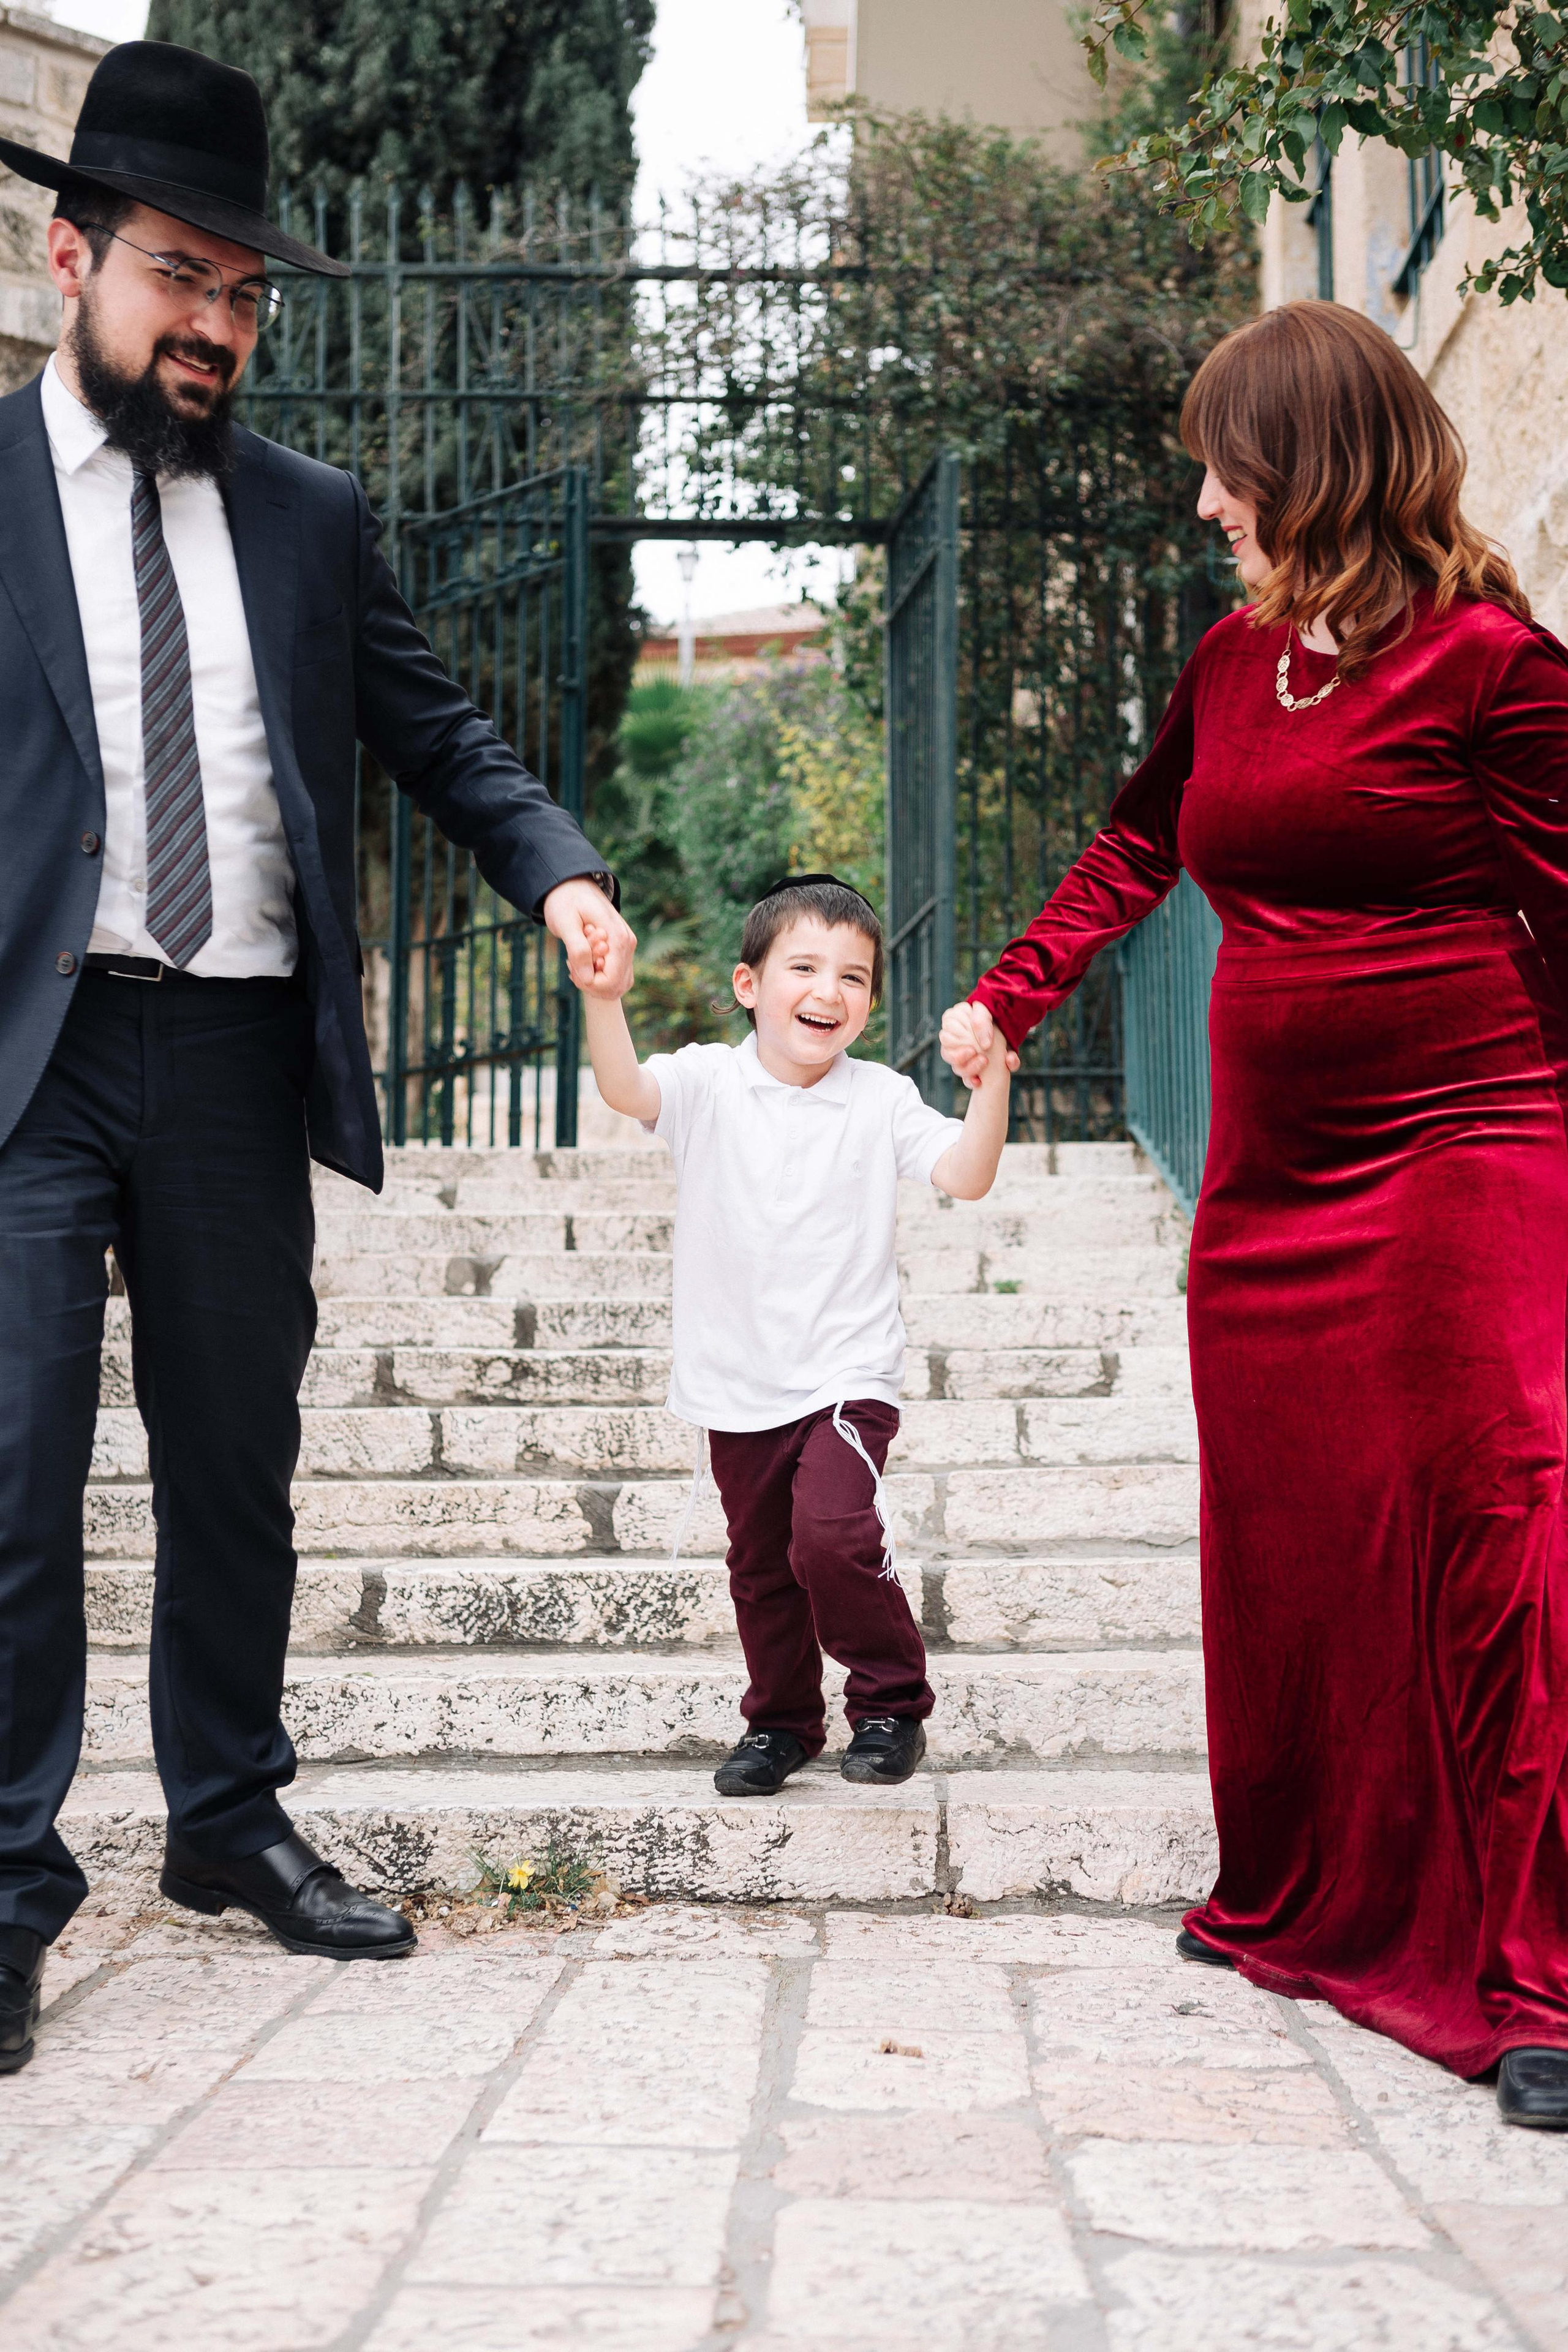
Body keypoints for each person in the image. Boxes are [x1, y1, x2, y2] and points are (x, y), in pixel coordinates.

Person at [0, 42, 633, 2073]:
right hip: (36, 1044)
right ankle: (12, 1887)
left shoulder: (305, 515)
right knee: (12, 1476)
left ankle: (227, 1822)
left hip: (239, 1045)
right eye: (182, 275)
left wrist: (556, 874)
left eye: (248, 293)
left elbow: (437, 731)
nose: (215, 326)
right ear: (67, 255)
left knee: (234, 1463)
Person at [941, 300, 1568, 2130]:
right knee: (1289, 1541)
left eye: (1226, 463)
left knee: (1492, 1534)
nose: (1206, 498)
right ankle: (1304, 1894)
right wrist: (1016, 989)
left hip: (1469, 1146)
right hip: (1273, 1183)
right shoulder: (1235, 665)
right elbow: (1144, 840)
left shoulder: (1494, 670)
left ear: (1307, 465)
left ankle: (1533, 1972)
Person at [578, 873, 1010, 1791]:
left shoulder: (880, 1097)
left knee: (831, 1534)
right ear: (749, 986)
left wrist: (991, 1085)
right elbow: (623, 1088)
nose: (829, 991)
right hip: (735, 1381)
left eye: (854, 978)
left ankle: (891, 1701)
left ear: (869, 1006)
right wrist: (603, 998)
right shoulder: (705, 1082)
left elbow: (966, 1176)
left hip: (847, 1377)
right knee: (762, 1566)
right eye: (804, 967)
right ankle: (781, 1724)